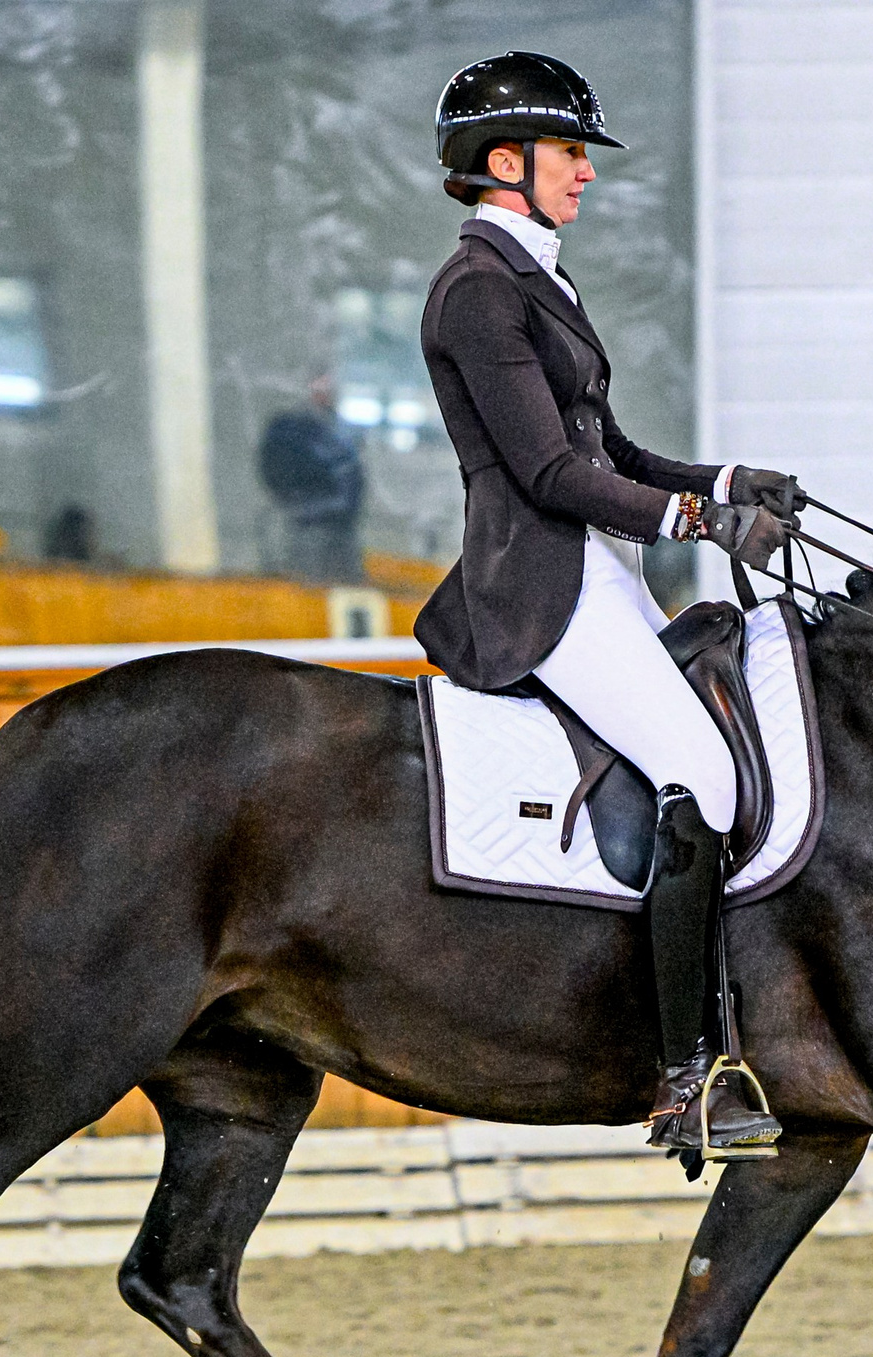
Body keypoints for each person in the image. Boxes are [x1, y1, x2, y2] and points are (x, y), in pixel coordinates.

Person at [416, 50, 801, 1160]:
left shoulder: (538, 276)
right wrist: (691, 525)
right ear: (505, 161)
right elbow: (547, 474)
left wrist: (724, 484)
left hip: (596, 569)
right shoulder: (478, 290)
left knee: (732, 751)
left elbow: (610, 449)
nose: (584, 174)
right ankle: (686, 1073)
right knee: (706, 774)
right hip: (538, 578)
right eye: (569, 152)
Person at [259, 376, 367, 583]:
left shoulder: (342, 431)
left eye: (329, 388)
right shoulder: (291, 430)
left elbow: (353, 481)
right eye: (319, 387)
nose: (324, 394)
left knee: (346, 587)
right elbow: (276, 471)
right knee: (308, 588)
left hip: (343, 527)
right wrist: (298, 504)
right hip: (309, 526)